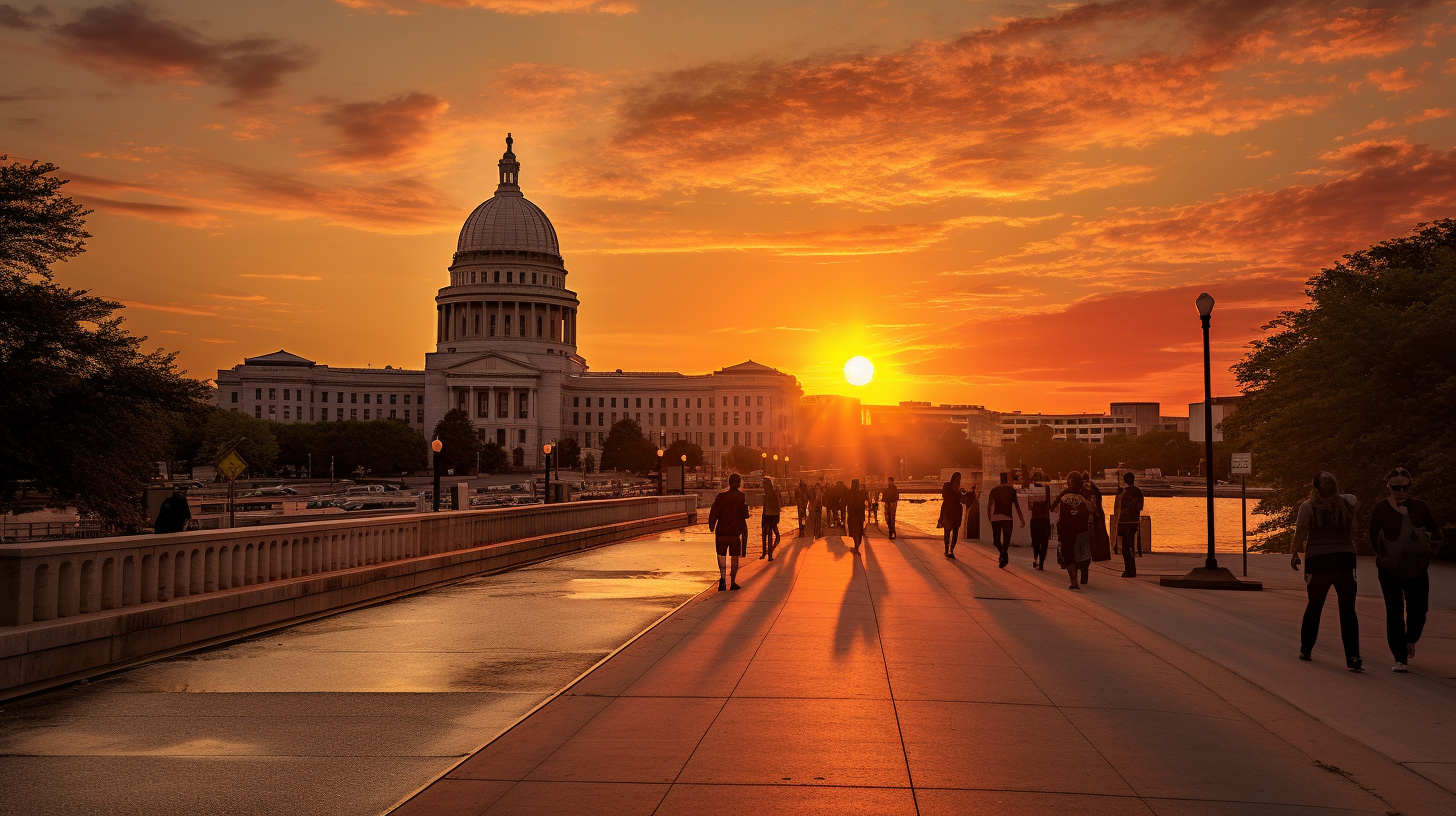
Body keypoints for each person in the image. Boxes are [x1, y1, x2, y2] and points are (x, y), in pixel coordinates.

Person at [1369, 468, 1444, 672]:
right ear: (1389, 487)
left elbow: (1436, 533)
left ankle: (1410, 638)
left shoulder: (1420, 507)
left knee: (1419, 609)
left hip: (1417, 568)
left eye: (1405, 486)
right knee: (1394, 611)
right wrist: (1385, 556)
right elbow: (1373, 534)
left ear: (1410, 486)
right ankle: (1399, 657)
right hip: (1389, 569)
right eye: (1396, 487)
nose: (1401, 491)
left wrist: (1425, 550)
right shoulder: (1381, 508)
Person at [1290, 472, 1362, 671]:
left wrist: (1295, 552)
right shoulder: (1347, 504)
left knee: (1315, 605)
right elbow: (1353, 528)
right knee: (1348, 610)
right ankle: (1353, 656)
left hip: (1319, 561)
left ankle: (1306, 648)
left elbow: (1301, 530)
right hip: (1345, 560)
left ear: (1314, 488)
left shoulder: (1308, 506)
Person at [708, 473, 750, 591]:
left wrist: (711, 525)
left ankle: (722, 579)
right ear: (739, 483)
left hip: (721, 532)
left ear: (729, 482)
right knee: (734, 557)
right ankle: (732, 583)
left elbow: (714, 512)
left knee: (721, 556)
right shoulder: (741, 497)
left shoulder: (720, 497)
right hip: (735, 534)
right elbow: (744, 515)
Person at [1051, 472, 1094, 589]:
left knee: (1069, 556)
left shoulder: (1064, 494)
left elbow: (1053, 507)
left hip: (1066, 530)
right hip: (1082, 529)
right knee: (1084, 555)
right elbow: (1093, 509)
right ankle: (1083, 575)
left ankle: (1074, 581)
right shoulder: (1086, 494)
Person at [987, 472, 1025, 569]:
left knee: (996, 541)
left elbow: (989, 505)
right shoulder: (1011, 490)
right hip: (1008, 518)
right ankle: (1004, 555)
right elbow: (1017, 506)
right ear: (1008, 480)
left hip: (996, 518)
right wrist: (1022, 519)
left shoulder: (994, 490)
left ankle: (1003, 555)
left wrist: (989, 517)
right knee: (1006, 540)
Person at [1115, 472, 1144, 577]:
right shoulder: (1130, 492)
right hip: (1126, 522)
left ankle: (1131, 569)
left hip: (1129, 522)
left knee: (1129, 547)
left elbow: (1137, 507)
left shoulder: (1133, 492)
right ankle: (1128, 569)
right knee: (1126, 548)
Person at [1084, 471, 1111, 563]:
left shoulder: (1091, 491)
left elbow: (1093, 503)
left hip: (1094, 515)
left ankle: (1097, 553)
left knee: (1096, 535)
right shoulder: (1093, 490)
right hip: (1097, 514)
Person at [939, 472, 967, 557]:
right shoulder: (947, 485)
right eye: (957, 478)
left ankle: (951, 550)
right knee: (947, 530)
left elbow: (961, 499)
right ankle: (947, 549)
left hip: (955, 510)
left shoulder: (958, 489)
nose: (958, 480)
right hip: (948, 510)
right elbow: (944, 495)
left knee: (955, 531)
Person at [1028, 474, 1051, 570]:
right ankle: (1041, 563)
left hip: (1035, 517)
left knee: (1035, 541)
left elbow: (1030, 505)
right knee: (1044, 541)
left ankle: (1036, 559)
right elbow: (1049, 503)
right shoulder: (1047, 488)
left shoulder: (1031, 488)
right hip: (1045, 517)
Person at [761, 476, 782, 560]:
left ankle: (768, 554)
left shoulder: (771, 494)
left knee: (768, 536)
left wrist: (776, 517)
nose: (763, 486)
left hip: (770, 517)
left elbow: (776, 506)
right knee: (766, 535)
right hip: (767, 516)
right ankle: (767, 553)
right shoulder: (768, 493)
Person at [846, 478, 868, 552]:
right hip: (859, 516)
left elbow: (848, 503)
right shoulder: (861, 494)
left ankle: (855, 545)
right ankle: (857, 546)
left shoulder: (849, 493)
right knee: (858, 531)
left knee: (852, 531)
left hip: (852, 515)